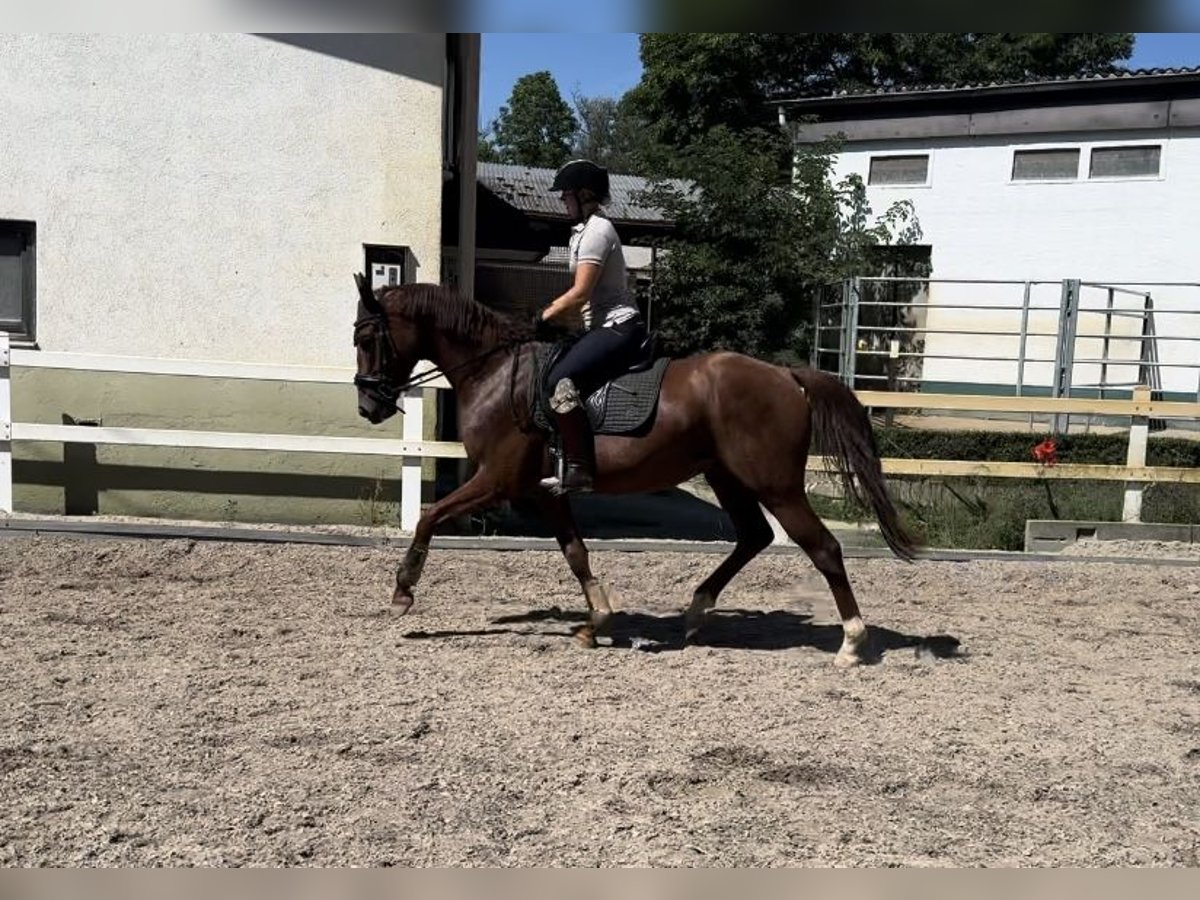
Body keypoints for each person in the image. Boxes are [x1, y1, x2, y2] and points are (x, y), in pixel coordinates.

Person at [536, 159, 648, 495]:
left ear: (584, 196)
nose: (562, 201)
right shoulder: (584, 231)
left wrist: (542, 316)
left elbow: (581, 291)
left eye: (566, 195)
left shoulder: (598, 231)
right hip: (599, 325)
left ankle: (582, 469)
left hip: (618, 326)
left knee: (560, 382)